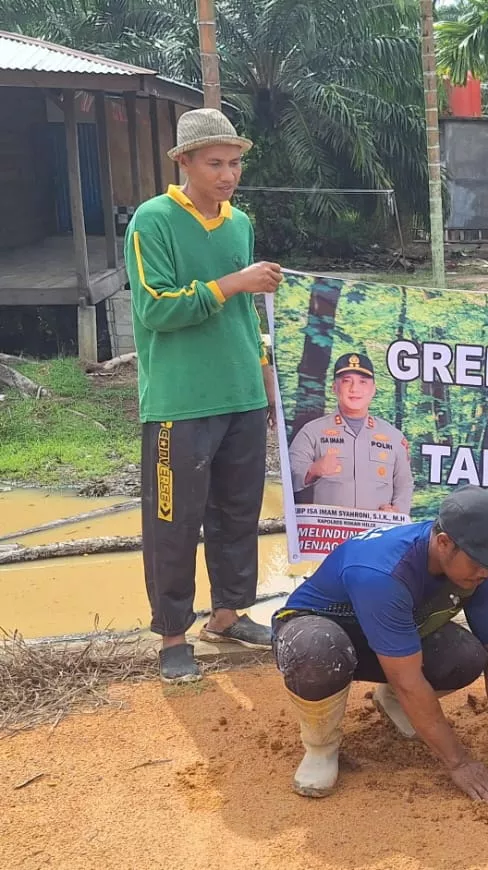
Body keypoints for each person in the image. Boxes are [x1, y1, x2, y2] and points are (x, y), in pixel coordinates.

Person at [125, 107, 283, 683]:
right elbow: (155, 308)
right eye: (214, 163)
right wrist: (234, 281)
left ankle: (227, 613)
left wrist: (264, 376)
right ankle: (172, 634)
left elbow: (246, 314)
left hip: (240, 392)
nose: (227, 174)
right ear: (184, 162)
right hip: (180, 401)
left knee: (238, 512)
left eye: (234, 163)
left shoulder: (238, 225)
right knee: (174, 519)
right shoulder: (154, 220)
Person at [270, 486, 488, 799]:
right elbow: (408, 679)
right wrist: (459, 762)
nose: (485, 572)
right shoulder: (382, 572)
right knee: (318, 650)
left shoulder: (479, 566)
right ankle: (320, 747)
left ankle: (392, 702)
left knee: (467, 655)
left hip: (389, 640)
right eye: (478, 564)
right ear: (444, 544)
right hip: (318, 629)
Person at [288, 351, 413, 513]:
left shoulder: (394, 437)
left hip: (377, 533)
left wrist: (397, 512)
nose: (355, 389)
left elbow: (404, 484)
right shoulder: (312, 432)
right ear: (334, 387)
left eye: (363, 382)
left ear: (373, 389)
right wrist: (313, 471)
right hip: (328, 532)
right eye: (347, 381)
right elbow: (289, 477)